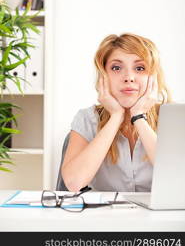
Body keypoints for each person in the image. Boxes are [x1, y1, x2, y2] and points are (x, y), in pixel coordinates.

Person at [61, 33, 172, 192]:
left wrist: (139, 117)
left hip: (161, 216)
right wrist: (116, 117)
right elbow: (73, 182)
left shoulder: (175, 118)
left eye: (140, 68)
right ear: (104, 76)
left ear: (153, 77)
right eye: (116, 68)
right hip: (104, 215)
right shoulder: (87, 118)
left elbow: (179, 178)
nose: (128, 77)